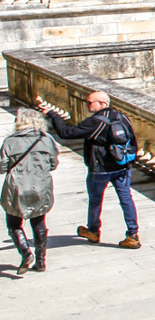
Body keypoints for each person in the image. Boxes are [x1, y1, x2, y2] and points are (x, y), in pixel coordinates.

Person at [42, 89, 139, 249]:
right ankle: (133, 234)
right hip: (122, 167)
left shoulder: (95, 122)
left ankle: (93, 231)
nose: (86, 105)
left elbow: (66, 133)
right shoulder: (122, 117)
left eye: (89, 102)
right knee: (126, 199)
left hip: (100, 168)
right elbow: (132, 140)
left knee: (95, 201)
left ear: (102, 103)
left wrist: (53, 114)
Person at [3, 107, 57, 273]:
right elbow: (53, 163)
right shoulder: (46, 139)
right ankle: (41, 261)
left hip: (16, 186)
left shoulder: (10, 141)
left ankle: (26, 252)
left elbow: (2, 166)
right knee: (39, 221)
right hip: (40, 184)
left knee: (14, 223)